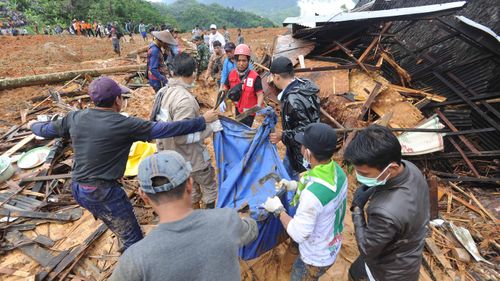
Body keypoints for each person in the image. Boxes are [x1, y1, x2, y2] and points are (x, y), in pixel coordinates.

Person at [29, 76, 220, 251]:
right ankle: (134, 262)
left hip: (79, 189)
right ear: (117, 100)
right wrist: (202, 121)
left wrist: (33, 125)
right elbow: (167, 129)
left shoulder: (76, 117)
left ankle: (120, 233)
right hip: (103, 192)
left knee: (116, 222)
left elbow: (45, 129)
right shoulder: (124, 124)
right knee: (133, 239)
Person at [108, 151, 258, 281]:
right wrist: (244, 218)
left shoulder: (135, 259)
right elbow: (251, 230)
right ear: (190, 184)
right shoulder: (226, 220)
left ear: (144, 196)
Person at [344, 125, 430, 281]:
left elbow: (366, 249)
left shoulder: (385, 211)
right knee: (355, 271)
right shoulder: (410, 169)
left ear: (391, 168)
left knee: (357, 274)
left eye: (364, 174)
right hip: (408, 256)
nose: (358, 176)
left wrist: (357, 209)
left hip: (387, 272)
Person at [263, 123, 348, 281]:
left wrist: (278, 210)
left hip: (316, 257)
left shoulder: (312, 196)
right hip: (330, 241)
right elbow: (316, 186)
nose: (300, 147)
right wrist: (294, 186)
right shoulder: (337, 171)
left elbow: (298, 233)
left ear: (308, 152)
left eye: (302, 145)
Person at [152, 53, 220, 209]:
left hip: (172, 157)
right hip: (192, 158)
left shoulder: (163, 92)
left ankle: (194, 215)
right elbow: (182, 137)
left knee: (190, 190)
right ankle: (208, 219)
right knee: (208, 188)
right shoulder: (185, 100)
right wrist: (209, 128)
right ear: (194, 73)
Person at [268, 56, 320, 179]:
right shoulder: (304, 86)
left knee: (297, 182)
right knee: (285, 174)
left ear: (277, 77)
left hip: (302, 152)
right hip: (295, 147)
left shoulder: (293, 99)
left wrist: (283, 136)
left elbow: (304, 130)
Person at [221, 44, 263, 127]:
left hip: (249, 112)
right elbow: (225, 88)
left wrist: (258, 106)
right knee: (238, 128)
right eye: (239, 60)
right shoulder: (232, 74)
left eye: (244, 61)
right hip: (237, 109)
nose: (241, 63)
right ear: (236, 60)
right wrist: (222, 99)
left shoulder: (254, 77)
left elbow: (260, 94)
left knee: (245, 132)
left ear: (248, 61)